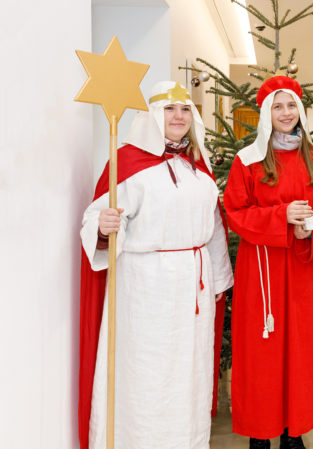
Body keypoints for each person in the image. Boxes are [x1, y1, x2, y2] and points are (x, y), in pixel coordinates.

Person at [79, 81, 234, 449]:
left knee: (188, 373)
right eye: (169, 109)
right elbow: (95, 217)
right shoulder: (127, 162)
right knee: (146, 372)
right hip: (145, 287)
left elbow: (213, 230)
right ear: (152, 116)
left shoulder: (199, 169)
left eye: (184, 109)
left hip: (192, 290)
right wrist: (102, 227)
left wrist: (218, 284)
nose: (178, 116)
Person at [223, 75, 313, 449]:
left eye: (291, 106)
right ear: (266, 113)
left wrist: (310, 230)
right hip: (262, 270)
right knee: (262, 353)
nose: (286, 113)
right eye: (278, 106)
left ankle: (294, 430)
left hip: (304, 266)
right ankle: (260, 431)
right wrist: (281, 216)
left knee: (302, 350)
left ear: (300, 111)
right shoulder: (248, 160)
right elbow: (235, 212)